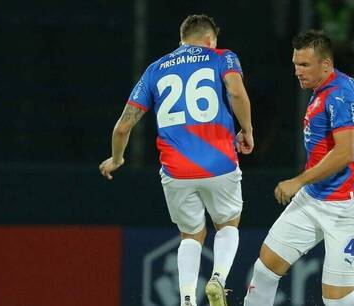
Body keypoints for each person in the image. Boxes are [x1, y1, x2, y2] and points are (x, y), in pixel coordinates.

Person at [98, 14, 254, 306]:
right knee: (228, 224)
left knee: (190, 236)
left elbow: (122, 126)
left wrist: (116, 158)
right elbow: (236, 91)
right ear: (210, 40)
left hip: (176, 171)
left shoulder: (155, 69)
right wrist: (247, 130)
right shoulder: (223, 57)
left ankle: (185, 299)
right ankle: (218, 278)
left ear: (182, 40)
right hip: (219, 163)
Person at [243, 30, 354, 306]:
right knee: (265, 269)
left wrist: (298, 180)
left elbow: (343, 153)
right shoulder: (337, 84)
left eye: (304, 65)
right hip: (312, 200)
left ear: (325, 65)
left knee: (337, 302)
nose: (297, 71)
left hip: (345, 209)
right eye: (295, 64)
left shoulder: (338, 95)